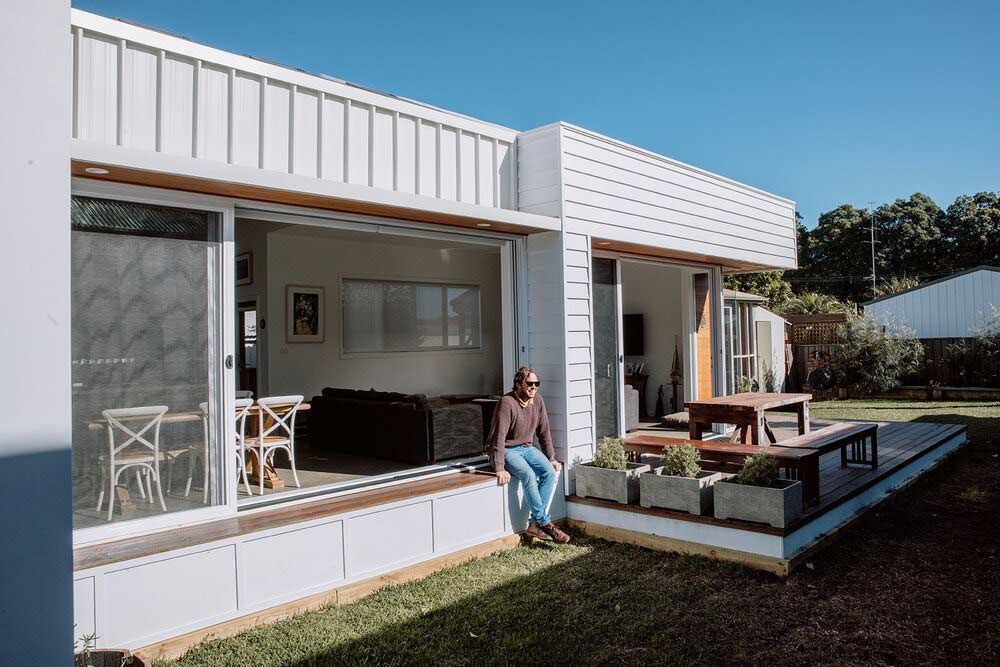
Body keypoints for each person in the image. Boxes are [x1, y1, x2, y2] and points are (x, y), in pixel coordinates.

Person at [487, 367, 570, 544]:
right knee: (528, 475)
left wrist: (551, 457)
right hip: (508, 449)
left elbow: (544, 431)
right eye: (529, 383)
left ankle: (533, 525)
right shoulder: (507, 402)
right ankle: (546, 524)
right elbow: (498, 437)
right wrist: (499, 467)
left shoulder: (538, 401)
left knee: (548, 472)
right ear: (518, 384)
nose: (534, 387)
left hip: (526, 447)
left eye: (536, 384)